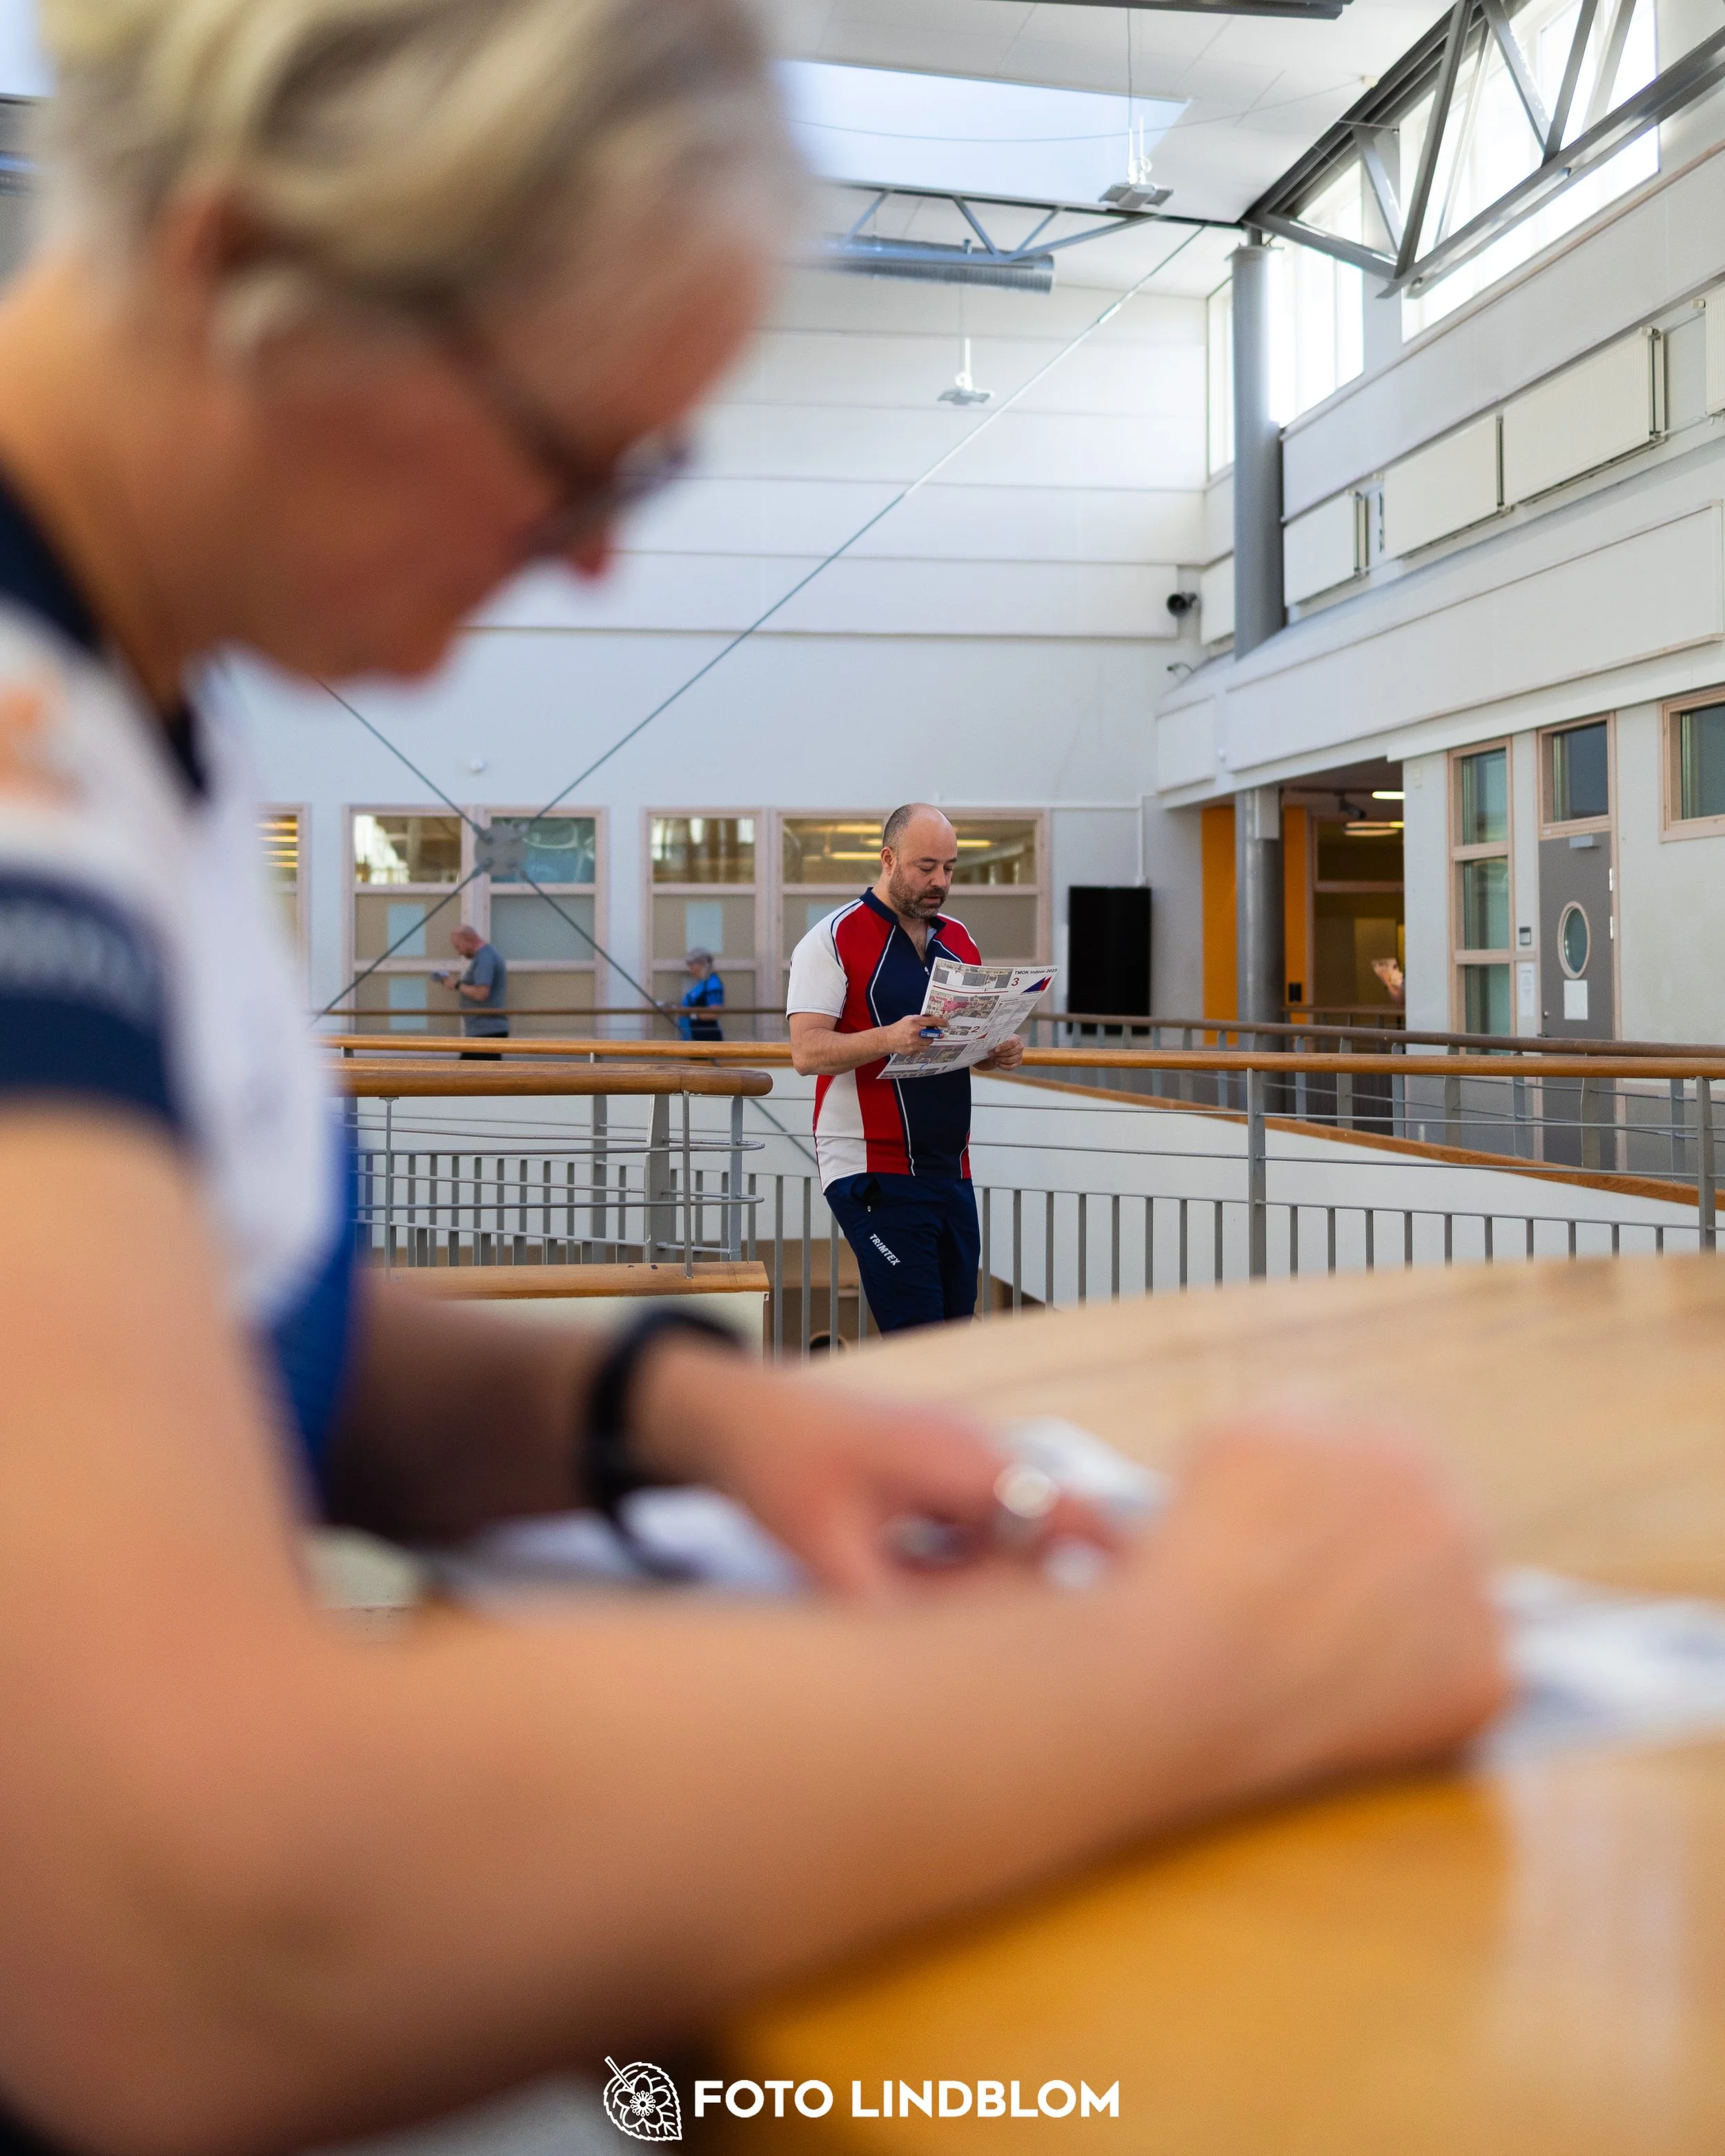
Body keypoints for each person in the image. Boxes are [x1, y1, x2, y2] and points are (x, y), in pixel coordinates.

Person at [0, 3, 1504, 2150]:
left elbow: (220, 1335)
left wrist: (678, 1411)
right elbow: (185, 1919)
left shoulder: (134, 693)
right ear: (251, 284)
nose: (599, 558)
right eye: (574, 453)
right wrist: (1219, 1662)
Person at [787, 803, 1022, 1332]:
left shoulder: (959, 938)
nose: (940, 880)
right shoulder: (832, 939)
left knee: (953, 1333)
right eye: (926, 867)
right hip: (872, 1170)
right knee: (920, 1338)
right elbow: (806, 1052)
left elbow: (958, 1042)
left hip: (950, 1169)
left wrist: (993, 1048)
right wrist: (891, 1037)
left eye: (951, 867)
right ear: (889, 859)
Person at [435, 922, 509, 1054]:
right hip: (483, 1030)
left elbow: (481, 993)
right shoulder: (485, 957)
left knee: (468, 1072)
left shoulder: (485, 959)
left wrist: (457, 985)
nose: (459, 952)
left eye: (458, 947)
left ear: (469, 940)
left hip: (486, 1032)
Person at [677, 944, 724, 1040]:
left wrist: (689, 1014)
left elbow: (714, 1013)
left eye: (692, 965)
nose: (690, 971)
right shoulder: (703, 983)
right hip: (694, 1037)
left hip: (704, 1038)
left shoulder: (713, 984)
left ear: (702, 963)